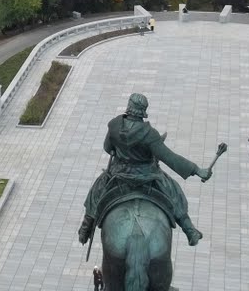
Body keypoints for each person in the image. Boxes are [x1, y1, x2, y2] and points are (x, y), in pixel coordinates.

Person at [78, 93, 212, 248]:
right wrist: (196, 170)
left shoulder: (114, 125)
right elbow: (169, 157)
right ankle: (190, 230)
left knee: (97, 190)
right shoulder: (150, 134)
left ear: (129, 106)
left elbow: (108, 148)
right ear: (143, 111)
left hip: (119, 173)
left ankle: (85, 228)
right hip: (147, 175)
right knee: (173, 190)